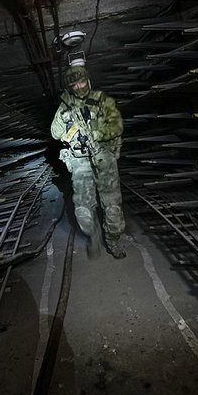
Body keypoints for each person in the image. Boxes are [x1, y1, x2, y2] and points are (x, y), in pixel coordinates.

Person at [50, 64, 127, 259]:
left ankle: (113, 241)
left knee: (113, 208)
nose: (79, 87)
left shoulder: (102, 100)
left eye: (82, 82)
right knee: (83, 210)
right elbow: (55, 133)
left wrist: (97, 133)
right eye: (74, 85)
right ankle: (93, 235)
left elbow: (117, 126)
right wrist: (66, 118)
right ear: (70, 87)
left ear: (88, 81)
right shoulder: (65, 106)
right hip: (81, 161)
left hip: (104, 157)